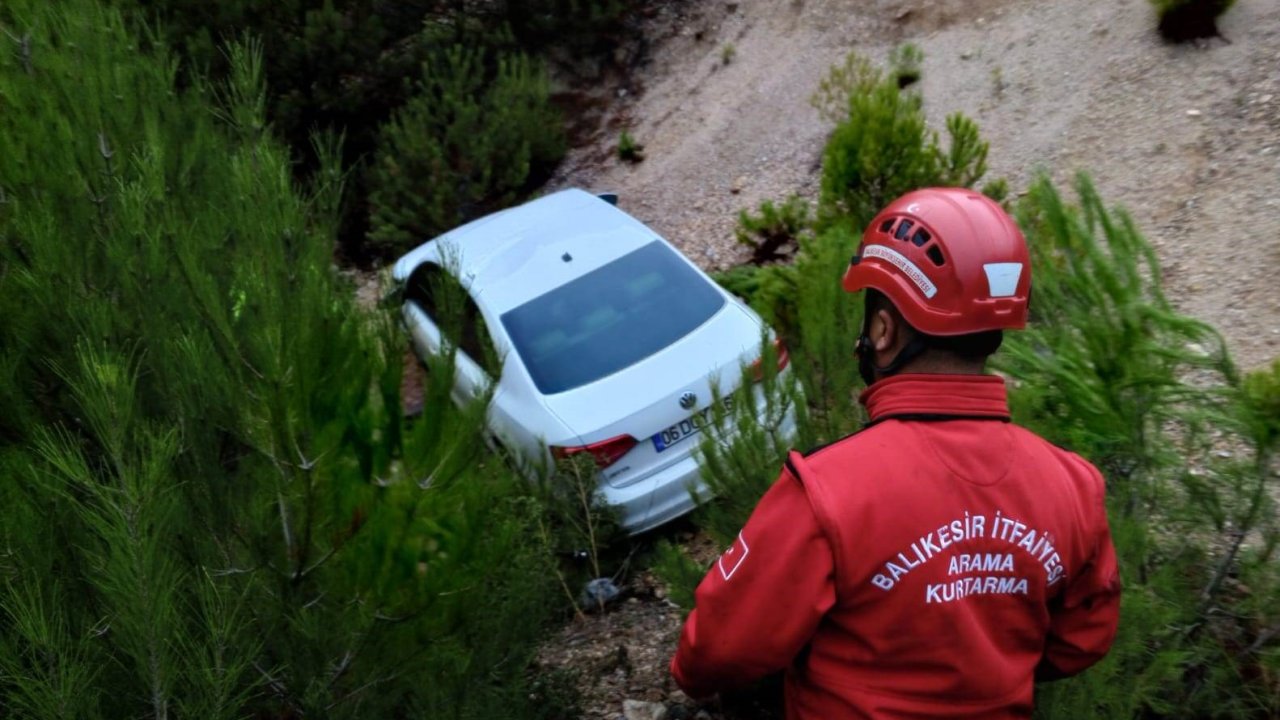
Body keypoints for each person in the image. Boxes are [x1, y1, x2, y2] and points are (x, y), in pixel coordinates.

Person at [669, 188, 1121, 719]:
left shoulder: (826, 491)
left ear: (882, 331)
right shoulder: (1072, 483)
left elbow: (717, 652)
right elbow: (1082, 639)